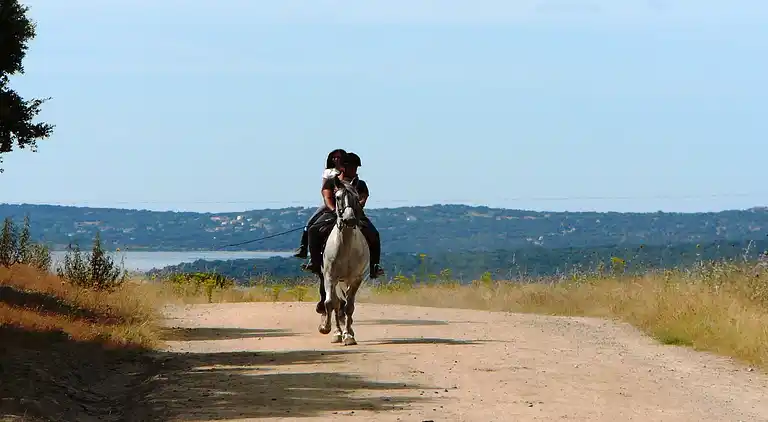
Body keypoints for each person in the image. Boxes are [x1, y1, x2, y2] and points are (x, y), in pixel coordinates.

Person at [302, 152, 384, 279]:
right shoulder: (331, 182)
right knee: (313, 230)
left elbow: (363, 199)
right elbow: (327, 197)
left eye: (356, 167)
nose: (354, 170)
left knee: (374, 234)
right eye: (352, 167)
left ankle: (374, 266)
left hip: (355, 214)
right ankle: (315, 262)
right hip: (333, 212)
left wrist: (353, 208)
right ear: (343, 167)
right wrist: (335, 210)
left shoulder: (360, 184)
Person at [293, 148, 347, 259]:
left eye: (339, 157)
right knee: (310, 223)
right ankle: (304, 248)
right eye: (334, 157)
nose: (336, 159)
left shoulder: (348, 171)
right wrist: (332, 208)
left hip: (347, 204)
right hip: (331, 202)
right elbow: (325, 189)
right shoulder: (329, 172)